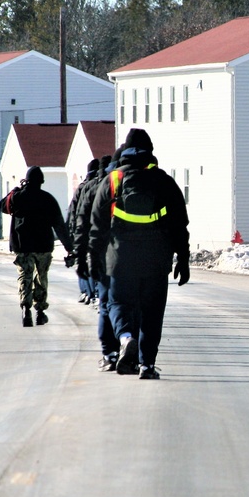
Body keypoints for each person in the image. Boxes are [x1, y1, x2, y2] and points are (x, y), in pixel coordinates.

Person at [89, 128, 190, 380]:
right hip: (156, 261)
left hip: (120, 260)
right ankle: (146, 365)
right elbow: (180, 224)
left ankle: (125, 338)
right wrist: (183, 259)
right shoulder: (164, 182)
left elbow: (97, 226)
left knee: (118, 304)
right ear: (150, 153)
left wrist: (94, 259)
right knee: (152, 313)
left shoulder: (111, 181)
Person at [0, 166, 73, 327]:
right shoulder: (48, 199)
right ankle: (40, 312)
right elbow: (60, 225)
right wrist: (69, 247)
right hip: (43, 246)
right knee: (41, 277)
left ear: (27, 180)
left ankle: (26, 309)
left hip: (23, 246)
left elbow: (2, 206)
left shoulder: (17, 198)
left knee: (25, 277)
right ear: (41, 182)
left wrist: (16, 190)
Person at [73, 153, 124, 372]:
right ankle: (133, 348)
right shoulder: (124, 182)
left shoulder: (93, 187)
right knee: (128, 305)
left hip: (102, 253)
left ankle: (109, 353)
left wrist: (80, 254)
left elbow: (81, 221)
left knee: (106, 305)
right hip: (128, 252)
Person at [68, 158, 100, 304]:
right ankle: (94, 292)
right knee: (93, 260)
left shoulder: (83, 187)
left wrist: (72, 230)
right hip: (96, 228)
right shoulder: (101, 185)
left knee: (83, 261)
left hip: (81, 229)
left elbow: (74, 210)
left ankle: (86, 292)